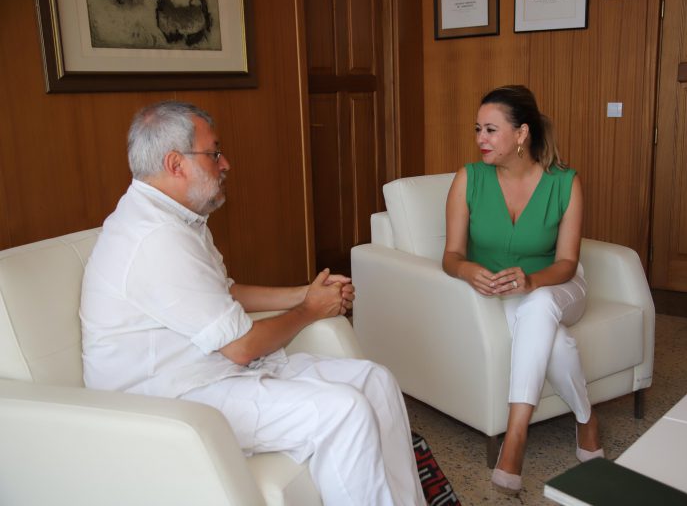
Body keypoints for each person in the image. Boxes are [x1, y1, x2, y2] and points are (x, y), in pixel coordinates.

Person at [80, 100, 425, 506]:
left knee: (375, 380)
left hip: (209, 371)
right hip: (172, 401)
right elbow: (242, 347)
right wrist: (310, 310)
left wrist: (305, 292)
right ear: (176, 164)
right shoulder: (154, 239)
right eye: (213, 153)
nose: (225, 163)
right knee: (343, 411)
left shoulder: (178, 217)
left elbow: (223, 292)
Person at [442, 85, 603, 495]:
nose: (480, 139)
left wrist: (532, 281)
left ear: (521, 134)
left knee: (542, 301)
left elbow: (567, 262)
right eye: (478, 129)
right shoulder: (469, 178)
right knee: (556, 342)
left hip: (559, 284)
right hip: (509, 293)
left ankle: (515, 438)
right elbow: (451, 255)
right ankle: (586, 418)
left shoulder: (565, 182)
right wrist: (468, 270)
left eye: (491, 130)